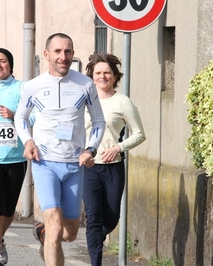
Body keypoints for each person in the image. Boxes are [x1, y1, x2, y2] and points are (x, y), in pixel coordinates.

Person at [14, 33, 106, 266]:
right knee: (55, 226)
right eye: (57, 51)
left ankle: (44, 235)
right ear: (46, 54)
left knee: (70, 233)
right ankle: (49, 235)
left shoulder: (85, 84)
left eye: (67, 51)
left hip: (75, 165)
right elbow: (21, 118)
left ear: (73, 54)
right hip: (45, 163)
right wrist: (28, 141)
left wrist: (91, 150)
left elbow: (98, 122)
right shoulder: (32, 86)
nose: (63, 57)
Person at [83, 53, 146, 266]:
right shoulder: (84, 101)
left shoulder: (123, 102)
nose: (102, 76)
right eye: (98, 73)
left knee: (110, 218)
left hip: (113, 168)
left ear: (115, 76)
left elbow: (139, 134)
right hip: (89, 167)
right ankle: (95, 262)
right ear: (92, 76)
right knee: (93, 217)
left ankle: (96, 238)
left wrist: (118, 147)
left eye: (107, 73)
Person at [0, 48, 35, 266]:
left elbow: (34, 117)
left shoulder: (22, 88)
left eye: (2, 61)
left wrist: (15, 116)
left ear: (10, 65)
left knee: (8, 211)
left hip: (16, 158)